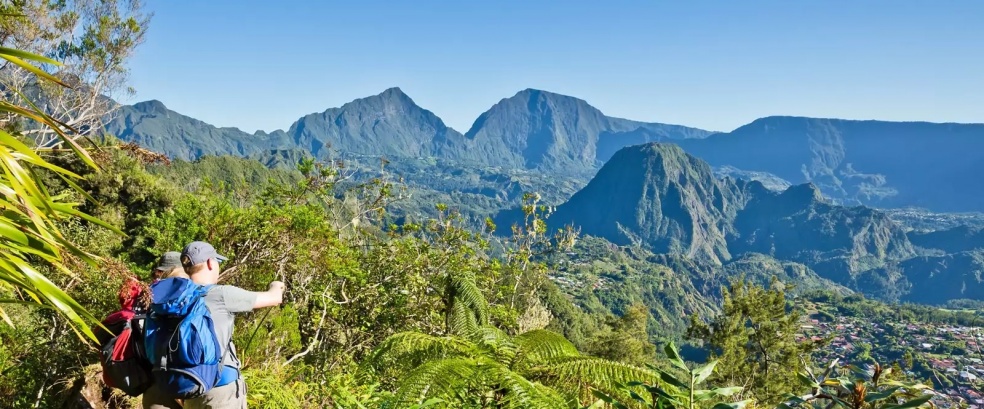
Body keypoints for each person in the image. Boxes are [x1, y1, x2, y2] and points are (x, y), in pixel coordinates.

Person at [177, 240, 285, 409]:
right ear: (210, 263)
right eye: (217, 262)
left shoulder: (176, 298)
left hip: (190, 387)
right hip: (221, 390)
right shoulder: (221, 294)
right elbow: (274, 298)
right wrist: (277, 285)